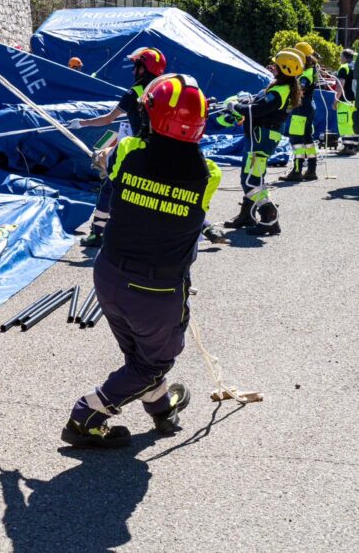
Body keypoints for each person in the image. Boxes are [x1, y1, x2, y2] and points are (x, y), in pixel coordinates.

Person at [62, 73, 222, 448]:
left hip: (109, 278)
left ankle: (161, 407)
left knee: (138, 356)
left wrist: (101, 157)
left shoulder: (127, 151)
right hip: (156, 290)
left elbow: (107, 159)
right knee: (151, 364)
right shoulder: (208, 175)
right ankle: (86, 415)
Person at [70, 47, 166, 247]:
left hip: (140, 148)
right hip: (165, 147)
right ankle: (205, 226)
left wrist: (83, 123)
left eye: (136, 66)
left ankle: (97, 233)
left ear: (142, 69)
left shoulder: (135, 92)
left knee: (109, 187)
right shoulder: (163, 88)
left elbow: (108, 119)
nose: (133, 71)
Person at [222, 48, 304, 235]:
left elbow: (257, 110)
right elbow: (259, 101)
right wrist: (247, 99)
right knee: (252, 176)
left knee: (250, 180)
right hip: (262, 137)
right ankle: (247, 215)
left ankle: (269, 216)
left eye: (276, 65)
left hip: (261, 139)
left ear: (284, 69)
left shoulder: (279, 92)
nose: (273, 67)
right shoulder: (281, 88)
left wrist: (235, 106)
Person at [280, 42, 319, 182]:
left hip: (301, 109)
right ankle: (311, 170)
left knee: (296, 140)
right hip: (308, 107)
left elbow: (300, 89)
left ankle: (297, 171)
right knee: (308, 140)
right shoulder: (311, 69)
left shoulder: (306, 73)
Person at [335, 49, 359, 155]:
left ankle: (348, 148)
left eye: (341, 56)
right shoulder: (357, 66)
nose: (340, 59)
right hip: (356, 101)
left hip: (345, 101)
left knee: (345, 124)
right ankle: (355, 146)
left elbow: (340, 85)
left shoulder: (343, 68)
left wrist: (335, 100)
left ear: (345, 57)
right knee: (353, 124)